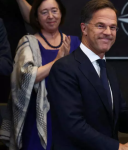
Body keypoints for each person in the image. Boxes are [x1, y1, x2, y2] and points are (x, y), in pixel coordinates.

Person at [46, 0, 128, 150]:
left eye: (113, 27)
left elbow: (121, 123)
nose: (108, 32)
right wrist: (119, 147)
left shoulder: (108, 70)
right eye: (100, 26)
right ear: (84, 28)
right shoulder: (64, 69)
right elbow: (74, 126)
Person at [0, 0, 80, 150]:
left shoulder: (74, 42)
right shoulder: (28, 42)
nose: (50, 16)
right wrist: (57, 61)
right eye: (44, 12)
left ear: (61, 14)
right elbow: (25, 78)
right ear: (36, 18)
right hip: (37, 117)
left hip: (68, 116)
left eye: (54, 11)